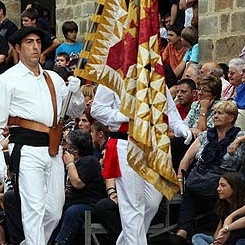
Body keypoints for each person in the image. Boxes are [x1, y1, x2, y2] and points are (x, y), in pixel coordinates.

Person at [0, 26, 86, 244]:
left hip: (53, 149)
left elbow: (75, 111)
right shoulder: (7, 79)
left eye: (38, 42)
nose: (35, 47)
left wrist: (76, 92)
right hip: (26, 148)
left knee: (54, 211)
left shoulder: (53, 78)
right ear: (18, 48)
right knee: (34, 211)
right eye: (29, 42)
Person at [90, 84, 192, 245]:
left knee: (151, 203)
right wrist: (124, 116)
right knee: (133, 205)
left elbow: (169, 110)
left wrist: (180, 127)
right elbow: (97, 109)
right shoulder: (114, 71)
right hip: (126, 142)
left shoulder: (156, 75)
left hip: (153, 145)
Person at [175, 101, 245, 242]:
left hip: (223, 177)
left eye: (220, 113)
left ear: (231, 118)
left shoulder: (240, 135)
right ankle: (182, 232)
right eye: (214, 113)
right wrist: (179, 178)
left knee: (222, 186)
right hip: (200, 175)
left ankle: (215, 236)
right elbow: (187, 158)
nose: (215, 116)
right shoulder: (206, 135)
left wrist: (238, 141)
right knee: (189, 186)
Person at [52, 129, 106, 244]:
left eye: (66, 144)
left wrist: (70, 164)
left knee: (73, 211)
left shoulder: (90, 161)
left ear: (74, 149)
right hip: (70, 202)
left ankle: (61, 242)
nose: (64, 147)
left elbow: (78, 183)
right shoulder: (67, 162)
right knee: (53, 208)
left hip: (87, 205)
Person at [192, 173, 245, 245]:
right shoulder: (224, 206)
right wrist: (216, 242)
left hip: (238, 241)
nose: (218, 189)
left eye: (223, 185)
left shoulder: (242, 205)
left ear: (234, 187)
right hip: (223, 242)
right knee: (197, 237)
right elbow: (217, 234)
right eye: (218, 185)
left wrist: (227, 228)